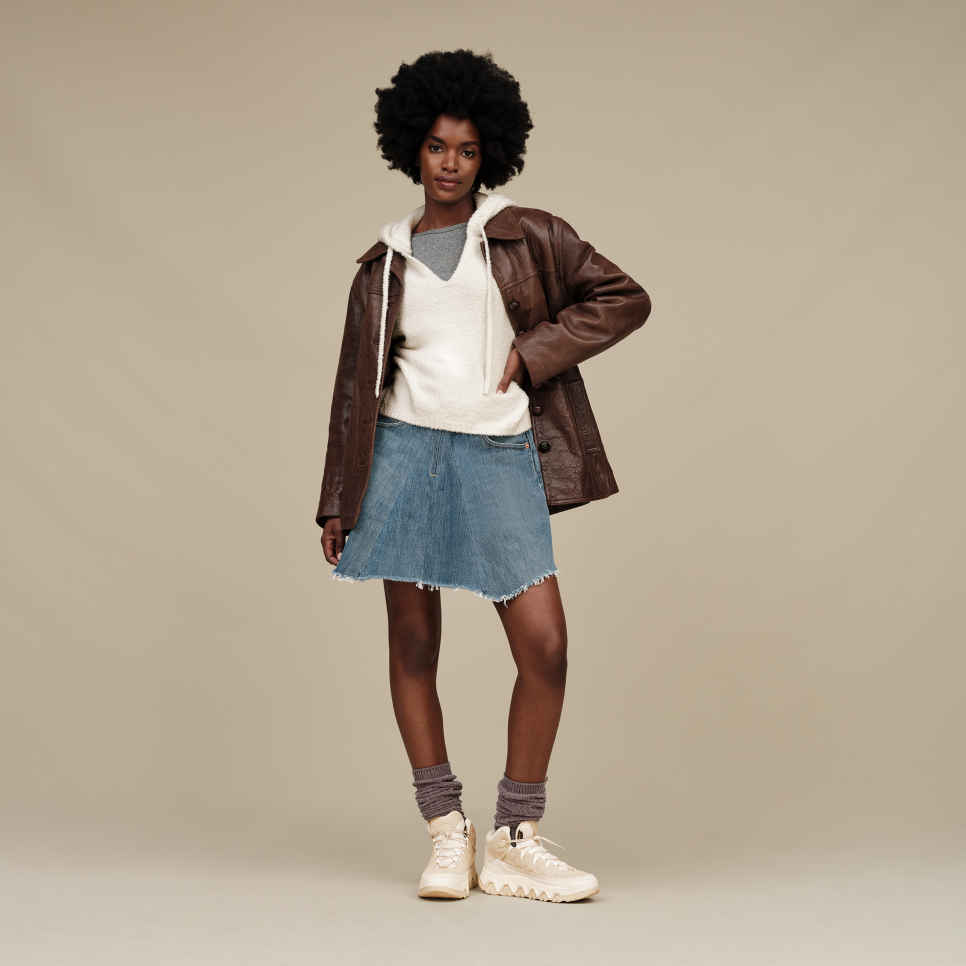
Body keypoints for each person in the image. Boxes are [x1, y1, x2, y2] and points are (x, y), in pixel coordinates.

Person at [315, 48, 651, 902]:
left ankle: (513, 838)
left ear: (489, 153)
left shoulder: (526, 233)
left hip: (499, 456)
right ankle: (445, 831)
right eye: (437, 146)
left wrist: (535, 353)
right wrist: (337, 501)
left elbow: (623, 297)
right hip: (403, 458)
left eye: (466, 150)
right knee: (413, 645)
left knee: (545, 646)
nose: (451, 164)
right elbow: (355, 392)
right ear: (411, 148)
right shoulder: (383, 264)